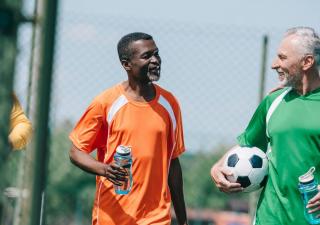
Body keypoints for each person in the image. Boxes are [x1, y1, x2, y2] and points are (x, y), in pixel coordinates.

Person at [69, 32, 188, 225]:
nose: (155, 60)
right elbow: (75, 152)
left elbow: (173, 164)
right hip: (112, 216)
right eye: (147, 56)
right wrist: (105, 169)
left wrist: (182, 220)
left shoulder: (170, 104)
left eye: (156, 54)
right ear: (127, 64)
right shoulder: (106, 103)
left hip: (155, 218)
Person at [210, 27, 320, 225]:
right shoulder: (273, 101)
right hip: (269, 219)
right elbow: (248, 143)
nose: (274, 65)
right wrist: (218, 166)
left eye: (282, 57)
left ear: (307, 62)